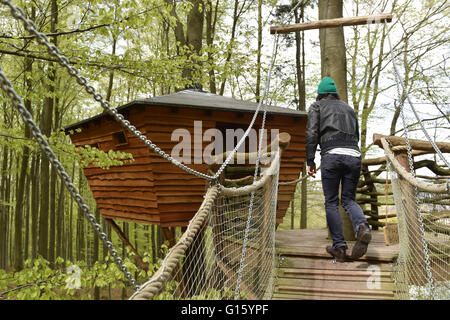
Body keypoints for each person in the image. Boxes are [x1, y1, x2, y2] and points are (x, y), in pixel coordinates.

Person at [305, 77, 371, 262]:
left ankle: (340, 247)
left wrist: (310, 160)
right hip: (354, 155)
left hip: (332, 157)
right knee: (349, 199)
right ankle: (362, 227)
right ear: (335, 93)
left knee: (331, 202)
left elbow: (311, 132)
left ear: (320, 94)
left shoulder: (317, 107)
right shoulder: (349, 109)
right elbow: (356, 135)